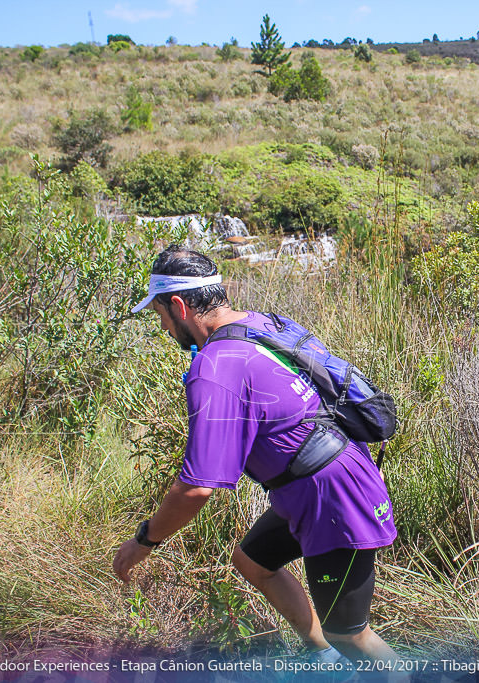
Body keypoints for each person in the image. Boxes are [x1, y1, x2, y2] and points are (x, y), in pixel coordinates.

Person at [112, 244, 401, 667]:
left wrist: (144, 541)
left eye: (160, 316)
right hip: (329, 474)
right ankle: (325, 662)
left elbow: (196, 488)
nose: (164, 327)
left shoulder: (214, 366)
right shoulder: (261, 322)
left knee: (351, 633)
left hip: (331, 496)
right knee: (252, 561)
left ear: (178, 305)